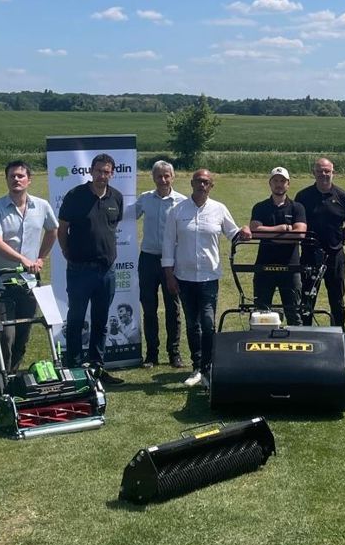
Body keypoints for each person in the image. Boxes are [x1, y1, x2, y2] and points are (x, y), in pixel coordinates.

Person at [162, 169, 251, 387]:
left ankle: (208, 367)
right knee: (192, 324)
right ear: (192, 183)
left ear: (211, 186)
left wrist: (244, 232)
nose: (202, 185)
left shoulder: (219, 209)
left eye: (206, 182)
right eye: (198, 181)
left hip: (209, 277)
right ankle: (197, 367)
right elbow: (168, 244)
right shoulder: (177, 210)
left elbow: (233, 234)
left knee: (208, 322)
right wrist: (169, 275)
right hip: (184, 277)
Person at [0, 160, 57, 398]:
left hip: (28, 283)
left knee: (23, 337)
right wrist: (23, 259)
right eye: (12, 176)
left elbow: (53, 230)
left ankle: (11, 383)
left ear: (29, 180)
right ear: (6, 180)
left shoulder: (41, 206)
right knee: (5, 337)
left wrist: (40, 257)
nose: (16, 179)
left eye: (21, 176)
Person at [57, 153, 125, 386]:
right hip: (79, 270)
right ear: (91, 171)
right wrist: (67, 252)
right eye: (98, 171)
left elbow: (112, 228)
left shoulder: (116, 197)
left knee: (101, 321)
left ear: (112, 173)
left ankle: (97, 368)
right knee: (76, 319)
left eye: (106, 172)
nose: (102, 175)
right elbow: (62, 230)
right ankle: (75, 369)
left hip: (106, 272)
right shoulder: (75, 196)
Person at [134, 160, 187, 368]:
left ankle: (174, 353)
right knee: (149, 308)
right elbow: (127, 217)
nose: (163, 180)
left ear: (173, 177)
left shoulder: (182, 201)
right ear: (153, 177)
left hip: (172, 260)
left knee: (173, 308)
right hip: (148, 259)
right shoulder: (145, 199)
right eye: (159, 176)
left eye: (166, 176)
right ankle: (151, 354)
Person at [294, 157, 345, 327]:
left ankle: (338, 333)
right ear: (314, 173)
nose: (323, 174)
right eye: (320, 171)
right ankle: (305, 334)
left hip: (335, 256)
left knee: (337, 299)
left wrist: (338, 239)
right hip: (309, 255)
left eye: (327, 171)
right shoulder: (303, 196)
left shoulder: (342, 196)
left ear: (333, 173)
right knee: (307, 298)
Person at [249, 166, 307, 325]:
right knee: (261, 314)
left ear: (288, 184)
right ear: (270, 183)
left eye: (282, 181)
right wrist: (282, 229)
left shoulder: (297, 207)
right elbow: (255, 231)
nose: (279, 184)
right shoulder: (260, 207)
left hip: (291, 268)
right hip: (264, 267)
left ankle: (295, 341)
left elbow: (299, 234)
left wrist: (269, 235)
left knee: (294, 314)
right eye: (275, 181)